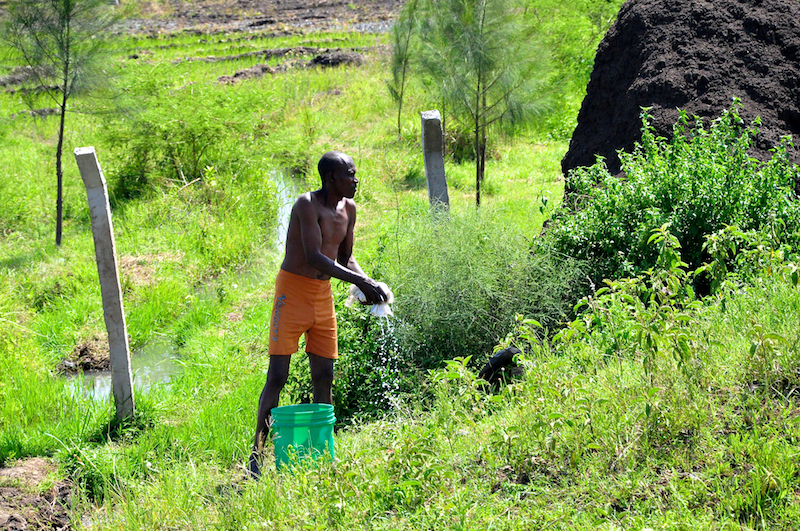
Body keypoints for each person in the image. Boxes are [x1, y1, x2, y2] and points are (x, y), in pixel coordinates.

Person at [248, 151, 388, 478]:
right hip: (292, 293)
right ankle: (256, 456)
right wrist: (361, 283)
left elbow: (346, 258)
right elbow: (313, 256)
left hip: (322, 296)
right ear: (330, 179)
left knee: (324, 374)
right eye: (349, 175)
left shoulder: (348, 209)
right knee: (278, 376)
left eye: (355, 174)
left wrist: (372, 284)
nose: (355, 180)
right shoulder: (306, 205)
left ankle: (322, 454)